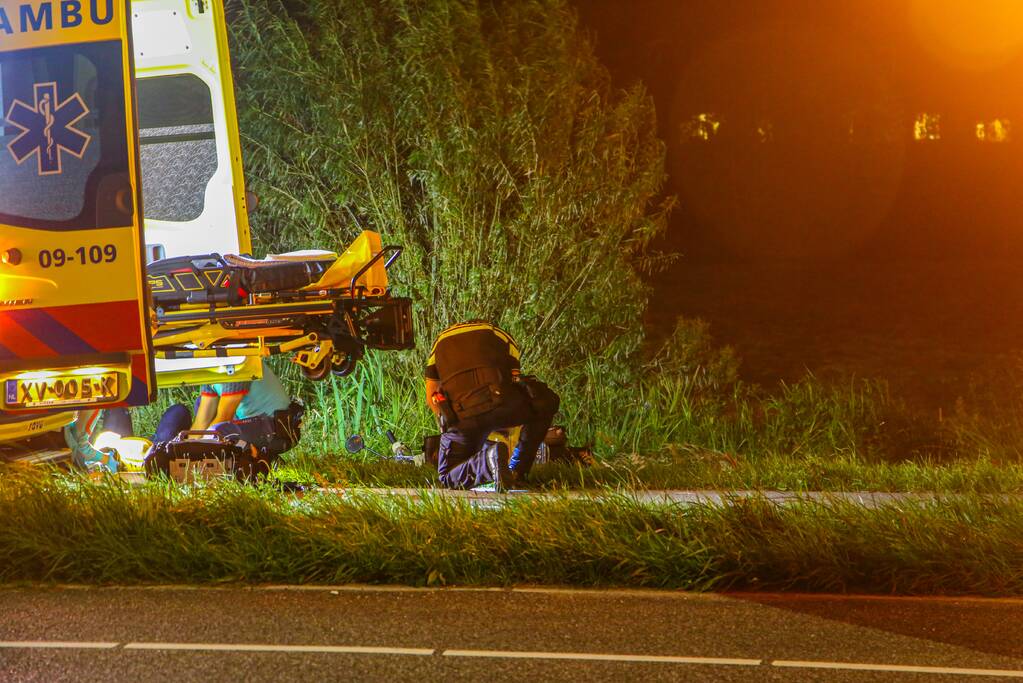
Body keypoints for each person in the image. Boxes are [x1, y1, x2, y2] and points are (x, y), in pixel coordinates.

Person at [424, 320, 560, 490]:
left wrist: (448, 429)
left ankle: (488, 461)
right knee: (544, 400)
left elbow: (431, 396)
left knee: (447, 476)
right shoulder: (501, 336)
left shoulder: (438, 344)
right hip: (501, 406)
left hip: (462, 418)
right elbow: (515, 382)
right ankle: (517, 472)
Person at [152, 359, 302, 459]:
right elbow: (202, 421)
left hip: (278, 430)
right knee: (200, 405)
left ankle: (261, 456)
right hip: (254, 424)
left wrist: (195, 452)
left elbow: (223, 419)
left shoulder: (235, 360)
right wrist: (181, 448)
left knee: (220, 430)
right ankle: (255, 454)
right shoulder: (210, 366)